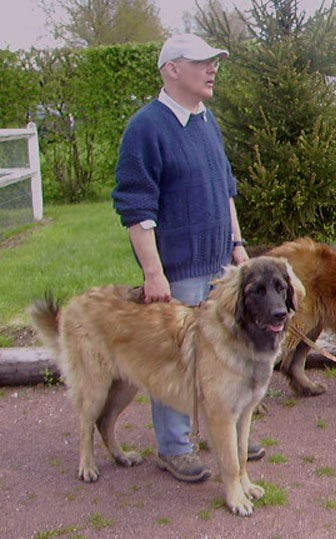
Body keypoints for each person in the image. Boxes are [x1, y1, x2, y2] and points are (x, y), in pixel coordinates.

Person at [112, 33, 265, 483]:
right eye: (201, 62)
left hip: (220, 267)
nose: (212, 68)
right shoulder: (146, 127)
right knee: (175, 360)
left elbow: (226, 188)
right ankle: (174, 447)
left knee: (223, 354)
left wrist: (237, 244)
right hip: (177, 273)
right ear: (172, 70)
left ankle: (225, 435)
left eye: (214, 61)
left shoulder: (206, 120)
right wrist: (153, 272)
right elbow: (136, 207)